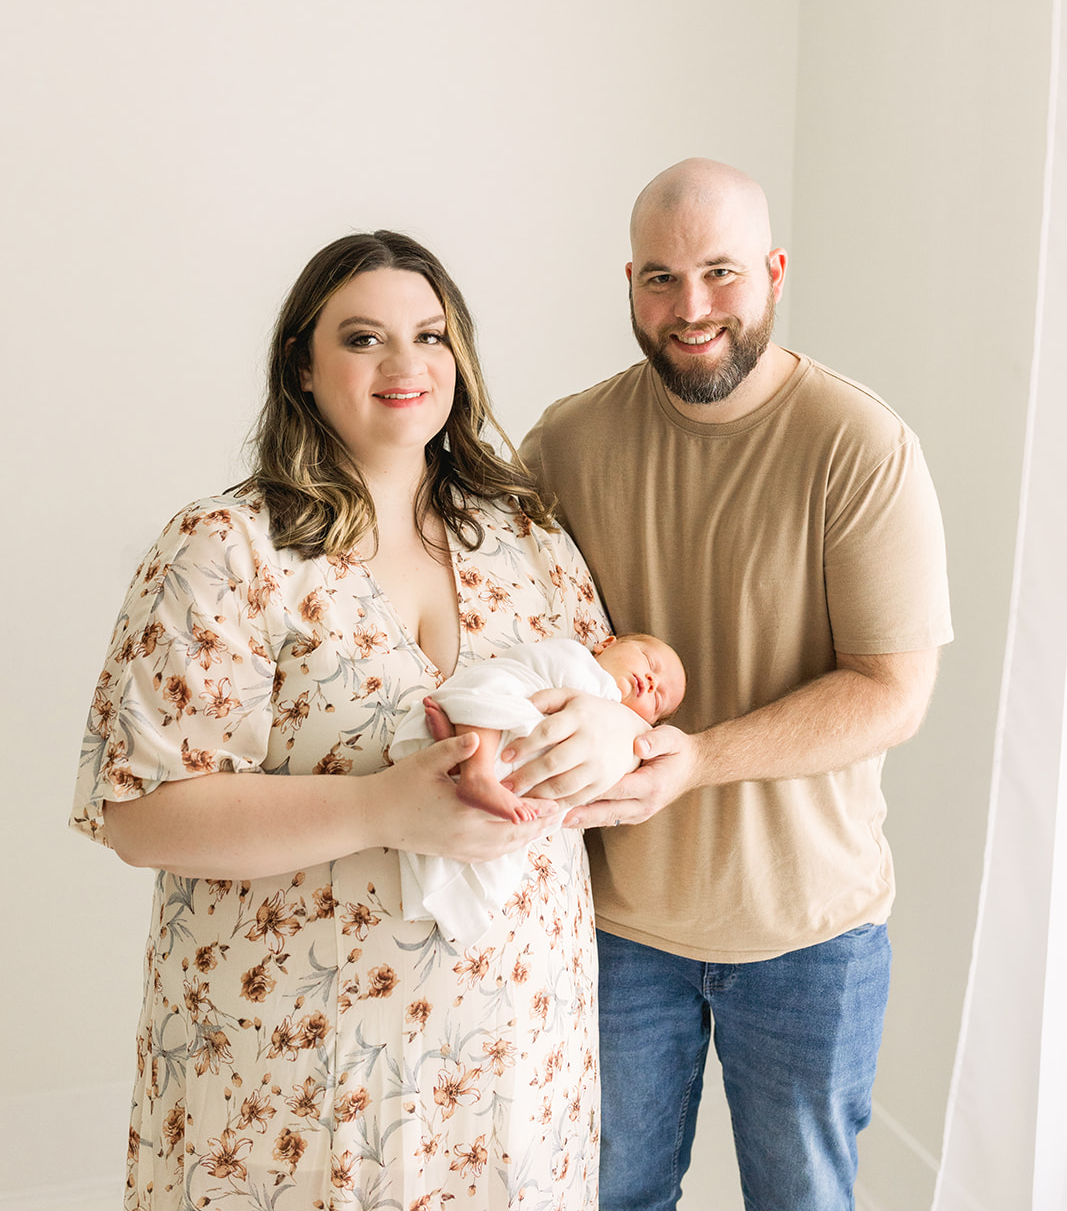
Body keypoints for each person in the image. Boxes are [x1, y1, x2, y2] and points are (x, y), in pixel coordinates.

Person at [70, 229, 642, 1211]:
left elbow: (612, 724)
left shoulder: (526, 537)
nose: (405, 364)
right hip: (293, 1071)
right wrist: (382, 809)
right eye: (363, 338)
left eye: (429, 334)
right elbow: (138, 811)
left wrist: (614, 737)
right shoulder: (227, 549)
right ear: (301, 362)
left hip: (510, 1063)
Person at [511, 159, 954, 1211]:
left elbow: (891, 691)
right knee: (609, 1195)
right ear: (627, 284)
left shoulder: (859, 445)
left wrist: (699, 758)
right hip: (614, 926)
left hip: (810, 935)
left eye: (718, 272)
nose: (690, 307)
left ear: (772, 272)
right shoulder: (566, 444)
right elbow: (510, 640)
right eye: (659, 278)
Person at [390, 633, 685, 943]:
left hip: (532, 764)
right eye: (649, 661)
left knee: (531, 818)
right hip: (516, 704)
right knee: (497, 691)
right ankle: (475, 772)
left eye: (658, 699)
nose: (652, 682)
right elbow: (537, 684)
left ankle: (458, 760)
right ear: (607, 644)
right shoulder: (577, 661)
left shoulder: (623, 734)